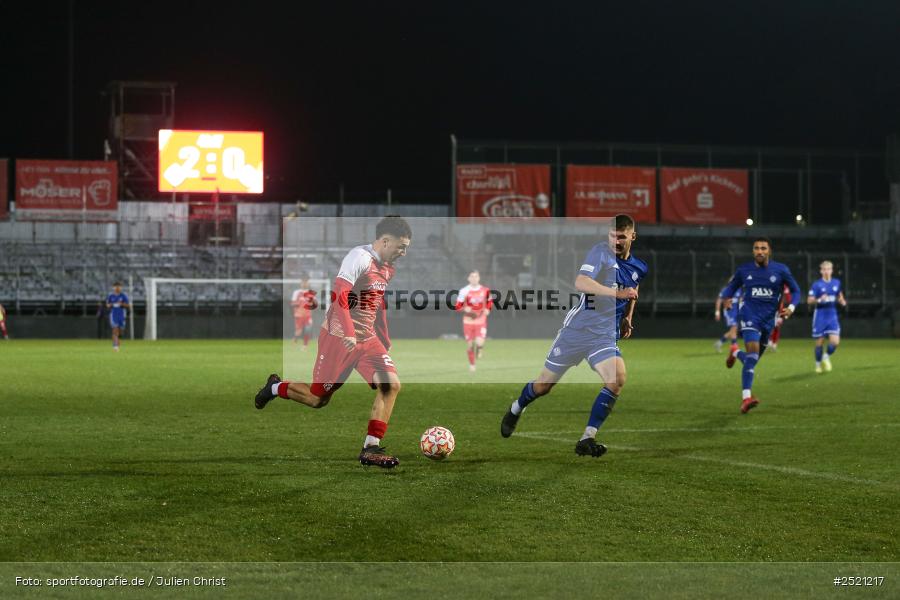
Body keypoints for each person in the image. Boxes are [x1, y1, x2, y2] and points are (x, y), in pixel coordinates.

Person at [254, 216, 412, 469]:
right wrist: (348, 332)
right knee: (318, 398)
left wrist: (384, 336)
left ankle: (371, 447)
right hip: (339, 338)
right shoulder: (359, 258)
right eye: (401, 246)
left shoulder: (387, 267)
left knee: (391, 385)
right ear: (385, 241)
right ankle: (275, 387)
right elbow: (340, 294)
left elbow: (376, 301)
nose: (404, 253)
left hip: (367, 339)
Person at [500, 214, 645, 458]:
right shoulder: (600, 253)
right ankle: (516, 408)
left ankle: (587, 438)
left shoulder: (639, 267)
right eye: (612, 236)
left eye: (621, 236)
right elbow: (581, 282)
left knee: (617, 378)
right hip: (576, 332)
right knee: (544, 385)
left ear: (632, 236)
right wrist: (615, 294)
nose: (616, 241)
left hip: (603, 337)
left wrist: (628, 316)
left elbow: (634, 289)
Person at [720, 238, 801, 413]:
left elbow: (796, 290)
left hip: (768, 321)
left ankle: (734, 351)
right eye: (756, 248)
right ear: (753, 252)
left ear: (769, 251)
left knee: (752, 359)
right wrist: (726, 299)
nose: (760, 251)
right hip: (749, 316)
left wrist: (792, 307)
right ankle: (746, 398)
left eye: (763, 248)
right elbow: (731, 287)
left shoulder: (781, 270)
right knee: (753, 355)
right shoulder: (744, 270)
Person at [807, 260, 847, 373]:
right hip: (820, 315)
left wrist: (842, 301)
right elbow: (809, 301)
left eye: (828, 269)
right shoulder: (816, 284)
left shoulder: (836, 282)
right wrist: (819, 299)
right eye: (824, 269)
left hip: (832, 315)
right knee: (819, 342)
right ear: (821, 271)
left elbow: (839, 295)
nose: (826, 271)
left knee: (835, 342)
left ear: (832, 270)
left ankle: (826, 356)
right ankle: (818, 364)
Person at [455, 270, 492, 372]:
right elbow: (457, 306)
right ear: (468, 278)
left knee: (479, 342)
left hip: (481, 320)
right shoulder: (464, 291)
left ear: (479, 278)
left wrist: (488, 309)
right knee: (470, 345)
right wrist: (464, 309)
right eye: (472, 277)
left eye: (476, 277)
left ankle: (480, 348)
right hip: (468, 321)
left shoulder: (485, 290)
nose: (474, 278)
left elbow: (489, 302)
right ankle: (472, 365)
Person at [291, 276, 318, 349]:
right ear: (301, 283)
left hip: (307, 316)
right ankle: (295, 340)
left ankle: (305, 346)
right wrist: (298, 304)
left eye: (306, 282)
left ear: (308, 283)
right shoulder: (296, 292)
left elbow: (314, 305)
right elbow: (293, 304)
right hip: (299, 315)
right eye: (303, 282)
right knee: (298, 331)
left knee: (307, 330)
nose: (304, 283)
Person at [714, 282, 740, 353]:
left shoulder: (739, 290)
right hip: (729, 312)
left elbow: (741, 300)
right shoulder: (726, 290)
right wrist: (717, 312)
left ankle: (719, 343)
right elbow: (719, 301)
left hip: (736, 313)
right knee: (734, 327)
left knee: (734, 330)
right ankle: (734, 346)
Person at [768, 282, 793, 352]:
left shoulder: (785, 287)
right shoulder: (772, 284)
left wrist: (782, 313)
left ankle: (774, 344)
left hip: (781, 310)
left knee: (777, 326)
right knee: (770, 325)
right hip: (770, 309)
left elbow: (788, 300)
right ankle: (769, 341)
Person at [106, 283, 130, 351]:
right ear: (113, 288)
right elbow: (107, 305)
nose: (117, 288)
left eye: (119, 287)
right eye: (116, 287)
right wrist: (110, 305)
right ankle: (115, 346)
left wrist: (121, 304)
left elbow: (128, 305)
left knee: (120, 331)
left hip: (121, 315)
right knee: (115, 330)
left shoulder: (123, 296)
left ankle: (118, 339)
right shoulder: (111, 296)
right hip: (114, 315)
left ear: (121, 288)